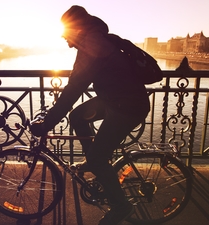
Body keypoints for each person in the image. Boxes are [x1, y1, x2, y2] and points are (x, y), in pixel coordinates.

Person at [31, 5, 150, 225]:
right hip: (117, 99)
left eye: (66, 35)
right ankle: (94, 160)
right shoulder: (96, 38)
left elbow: (73, 90)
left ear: (76, 30)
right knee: (77, 116)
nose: (65, 41)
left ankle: (120, 206)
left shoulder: (92, 46)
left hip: (127, 106)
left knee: (97, 158)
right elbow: (74, 90)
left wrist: (46, 125)